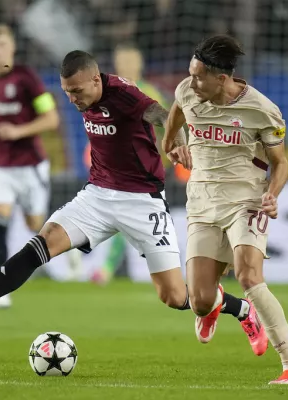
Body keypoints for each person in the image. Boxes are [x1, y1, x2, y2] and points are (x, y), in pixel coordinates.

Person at [0, 50, 265, 354]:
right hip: (96, 195)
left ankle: (241, 309)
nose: (73, 99)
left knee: (178, 296)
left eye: (78, 91)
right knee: (41, 244)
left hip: (142, 201)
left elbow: (164, 115)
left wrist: (178, 143)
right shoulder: (85, 97)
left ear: (96, 80)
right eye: (67, 92)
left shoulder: (125, 95)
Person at [162, 34, 288, 384]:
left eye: (199, 76)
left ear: (221, 78)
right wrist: (173, 146)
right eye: (190, 73)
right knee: (197, 299)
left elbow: (281, 162)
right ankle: (217, 309)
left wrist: (273, 194)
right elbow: (174, 122)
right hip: (201, 202)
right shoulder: (187, 91)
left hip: (247, 201)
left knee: (249, 276)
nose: (191, 81)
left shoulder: (261, 109)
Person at [0, 24, 81, 308]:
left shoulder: (26, 78)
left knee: (35, 224)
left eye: (2, 45)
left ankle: (71, 249)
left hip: (30, 166)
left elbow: (51, 118)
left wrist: (18, 132)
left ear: (12, 48)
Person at [89, 43, 171, 285]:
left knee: (142, 222)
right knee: (119, 219)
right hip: (113, 171)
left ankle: (160, 269)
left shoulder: (151, 94)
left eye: (129, 60)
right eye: (120, 60)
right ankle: (105, 267)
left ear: (139, 63)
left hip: (145, 172)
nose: (124, 65)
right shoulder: (106, 93)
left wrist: (161, 157)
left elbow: (168, 129)